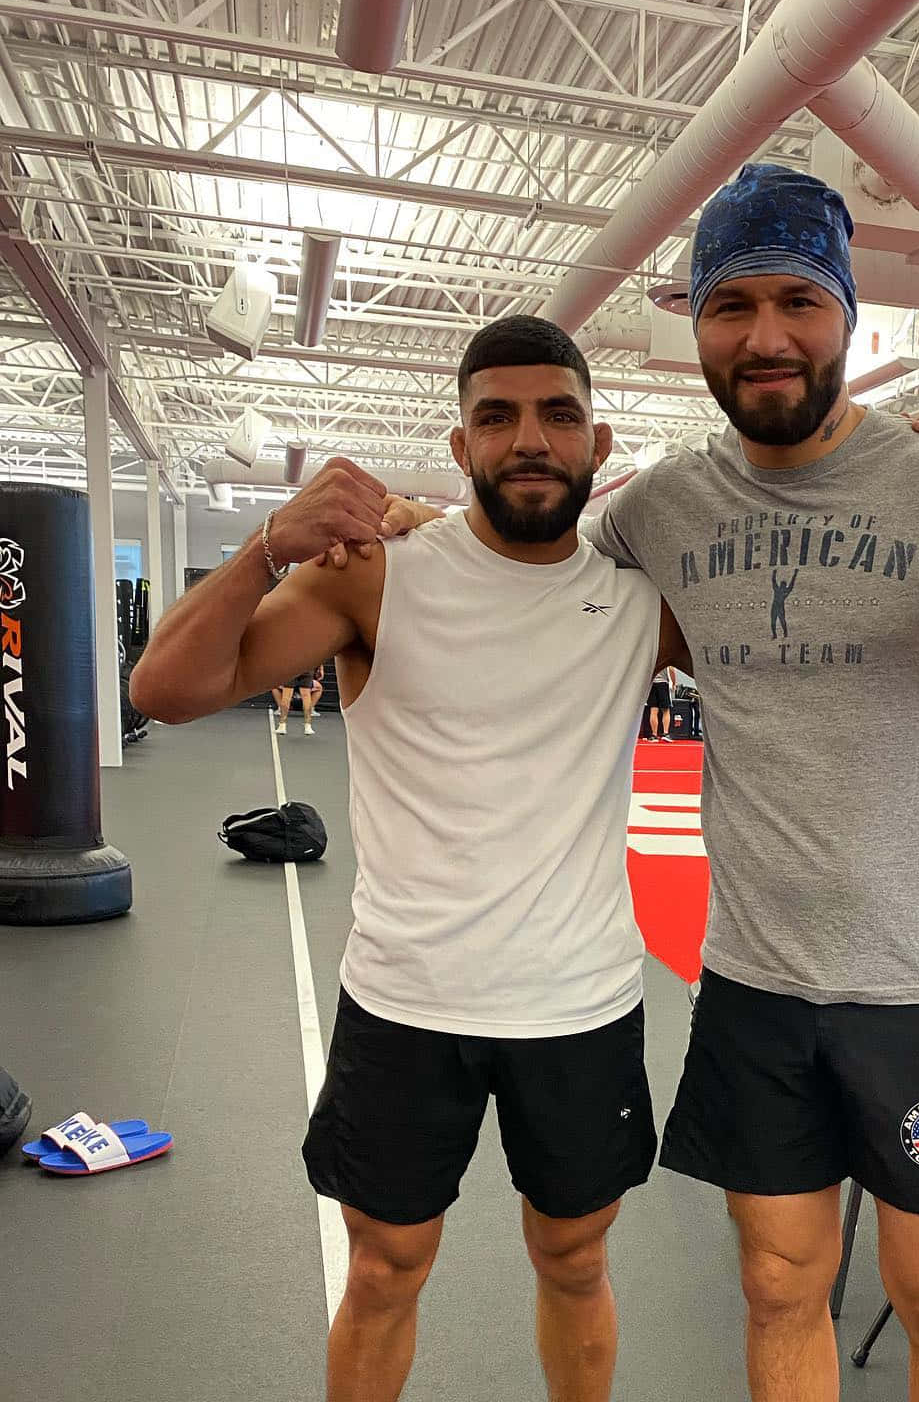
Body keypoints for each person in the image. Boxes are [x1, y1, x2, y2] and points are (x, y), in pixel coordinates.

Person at [369, 169, 919, 1402]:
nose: (766, 337)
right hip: (754, 980)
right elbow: (528, 565)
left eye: (799, 300)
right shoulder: (667, 508)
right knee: (780, 1287)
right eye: (730, 307)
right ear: (696, 329)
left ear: (852, 317)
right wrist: (406, 527)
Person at [130, 315, 690, 1402]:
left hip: (579, 1006)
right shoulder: (372, 580)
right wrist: (264, 549)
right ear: (461, 444)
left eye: (557, 415)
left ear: (599, 443)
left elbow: (810, 583)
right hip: (405, 1002)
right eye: (498, 417)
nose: (529, 439)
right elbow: (166, 691)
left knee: (576, 1260)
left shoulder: (641, 603)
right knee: (386, 1270)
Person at [272, 660, 326, 736]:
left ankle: (282, 725)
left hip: (291, 665)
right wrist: (321, 668)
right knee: (306, 696)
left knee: (287, 696)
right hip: (307, 666)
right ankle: (308, 726)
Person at [646, 664, 678, 741]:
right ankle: (666, 733)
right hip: (663, 684)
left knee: (653, 710)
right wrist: (674, 683)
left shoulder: (651, 657)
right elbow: (671, 669)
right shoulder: (666, 656)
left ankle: (654, 735)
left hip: (652, 684)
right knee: (666, 710)